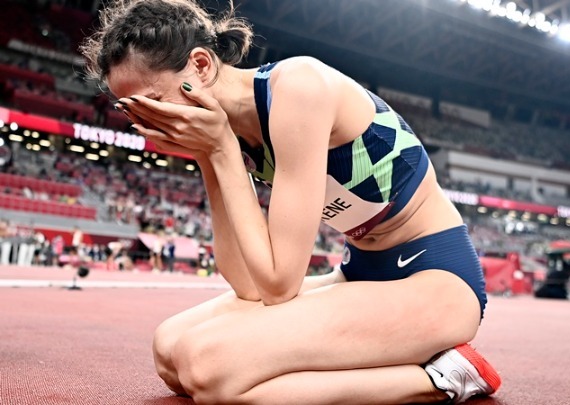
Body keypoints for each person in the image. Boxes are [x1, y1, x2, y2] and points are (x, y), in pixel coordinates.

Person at [80, 0, 500, 403]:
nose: (148, 123)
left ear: (201, 65)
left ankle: (443, 378)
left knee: (210, 369)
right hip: (359, 274)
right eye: (134, 112)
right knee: (170, 349)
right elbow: (248, 286)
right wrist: (208, 153)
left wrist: (222, 150)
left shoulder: (298, 87)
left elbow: (278, 286)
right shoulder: (227, 131)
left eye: (153, 103)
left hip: (436, 280)